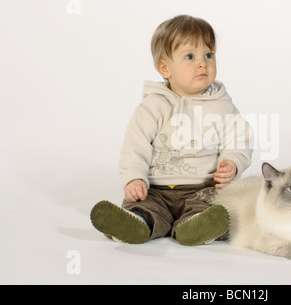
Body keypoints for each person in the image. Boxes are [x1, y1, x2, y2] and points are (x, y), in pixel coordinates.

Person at [90, 15, 253, 246]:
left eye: (209, 55)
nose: (202, 63)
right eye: (190, 56)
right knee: (145, 205)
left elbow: (239, 140)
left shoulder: (222, 105)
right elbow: (135, 147)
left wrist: (233, 162)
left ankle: (197, 225)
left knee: (220, 207)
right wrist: (134, 178)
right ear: (165, 68)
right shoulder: (153, 106)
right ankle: (137, 222)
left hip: (203, 188)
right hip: (156, 188)